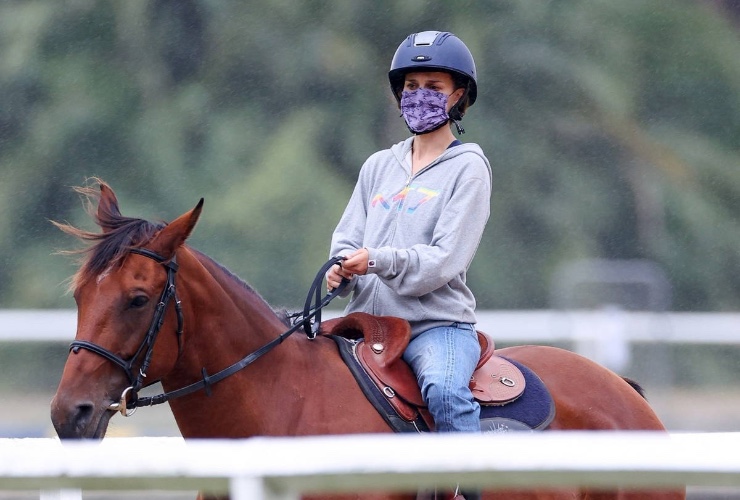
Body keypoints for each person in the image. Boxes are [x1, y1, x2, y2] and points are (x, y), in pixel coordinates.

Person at [326, 30, 491, 499]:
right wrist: (339, 268)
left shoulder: (469, 169)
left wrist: (375, 259)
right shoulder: (378, 165)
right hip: (367, 321)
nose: (420, 96)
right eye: (412, 85)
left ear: (459, 97)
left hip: (434, 325)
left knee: (443, 391)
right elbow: (347, 237)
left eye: (434, 87)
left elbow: (443, 262)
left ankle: (463, 491)